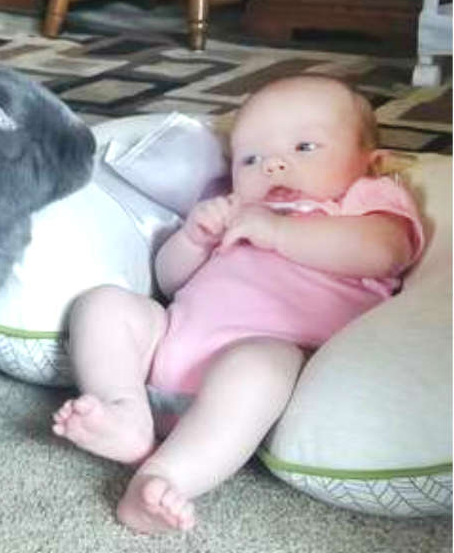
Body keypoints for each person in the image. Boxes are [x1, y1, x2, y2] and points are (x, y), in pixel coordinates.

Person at [52, 74, 425, 534]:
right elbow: (170, 281)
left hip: (256, 384)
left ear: (373, 164)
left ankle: (163, 477)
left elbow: (385, 252)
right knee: (105, 305)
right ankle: (124, 410)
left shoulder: (366, 200)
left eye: (305, 148)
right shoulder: (231, 208)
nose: (273, 166)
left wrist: (281, 233)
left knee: (260, 365)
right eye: (251, 158)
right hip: (168, 353)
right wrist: (193, 238)